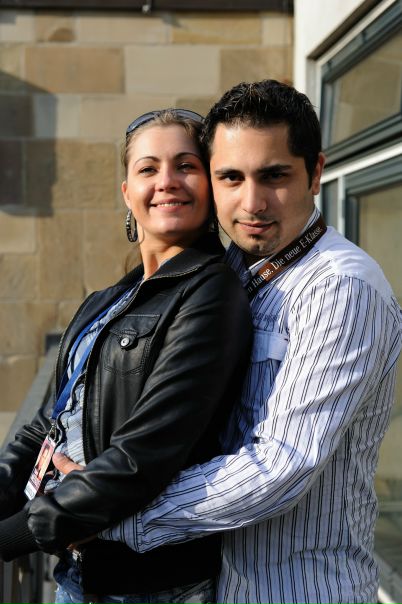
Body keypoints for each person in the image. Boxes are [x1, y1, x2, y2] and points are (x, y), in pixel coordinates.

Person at [72, 80, 400, 604]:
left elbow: (281, 464)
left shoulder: (340, 286)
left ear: (316, 172)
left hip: (301, 591)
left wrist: (112, 516)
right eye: (230, 177)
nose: (252, 203)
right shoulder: (229, 273)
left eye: (274, 176)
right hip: (217, 585)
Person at [0, 108, 253, 603]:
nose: (167, 181)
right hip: (78, 572)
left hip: (151, 586)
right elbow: (46, 424)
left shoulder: (212, 291)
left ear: (209, 185)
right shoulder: (107, 299)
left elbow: (144, 455)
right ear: (127, 193)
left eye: (186, 166)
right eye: (148, 168)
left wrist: (15, 534)